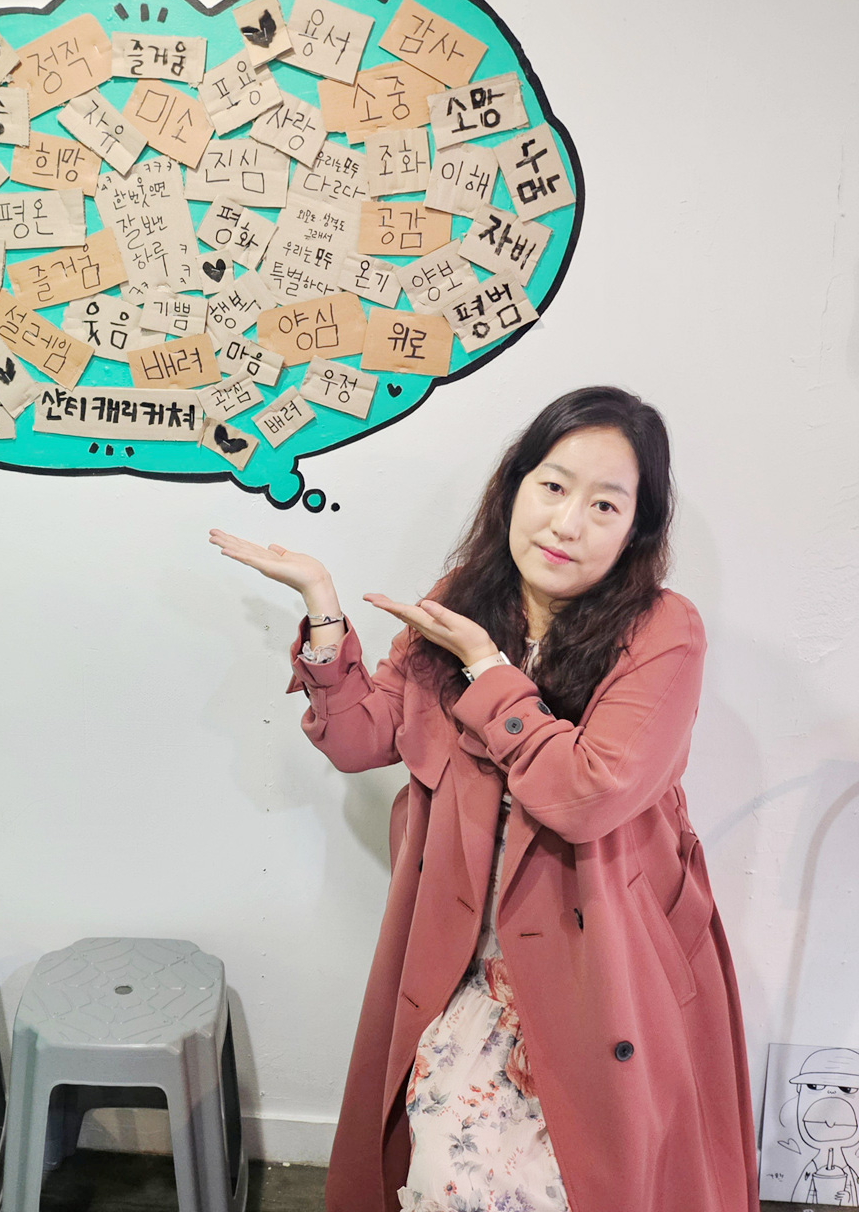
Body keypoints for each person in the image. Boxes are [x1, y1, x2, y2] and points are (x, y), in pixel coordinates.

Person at [209, 387, 759, 1212]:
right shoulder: (463, 599)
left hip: (601, 974)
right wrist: (322, 608)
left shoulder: (661, 632)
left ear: (636, 528)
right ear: (515, 487)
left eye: (605, 505)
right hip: (466, 970)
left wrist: (487, 668)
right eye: (553, 486)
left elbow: (584, 795)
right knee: (445, 1180)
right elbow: (363, 739)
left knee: (584, 1186)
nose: (567, 523)